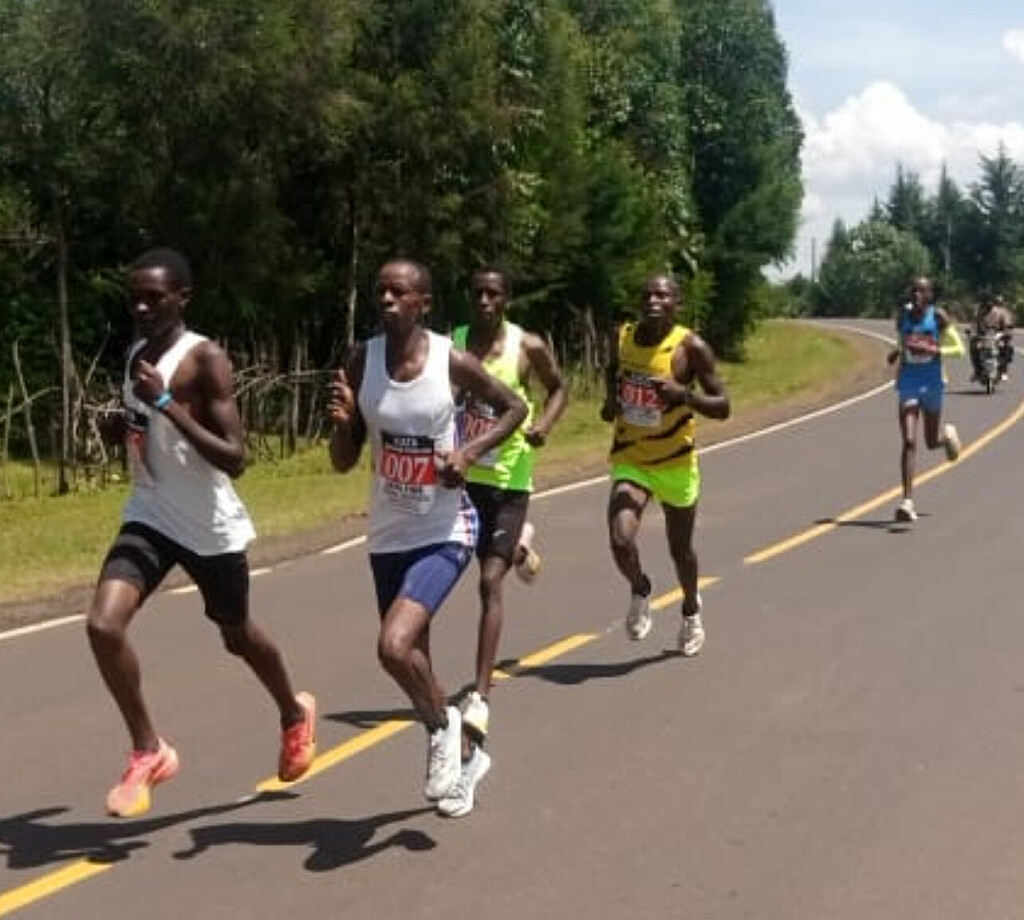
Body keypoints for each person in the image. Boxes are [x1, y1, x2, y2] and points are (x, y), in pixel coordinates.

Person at [87, 247, 316, 818]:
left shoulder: (204, 359)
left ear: (182, 298)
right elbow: (144, 430)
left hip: (208, 527)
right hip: (150, 514)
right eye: (134, 298)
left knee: (236, 634)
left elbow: (236, 458)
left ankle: (293, 712)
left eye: (153, 298)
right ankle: (149, 749)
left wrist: (165, 403)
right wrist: (120, 426)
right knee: (102, 625)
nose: (141, 308)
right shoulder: (135, 352)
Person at [327, 258, 527, 818]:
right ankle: (465, 760)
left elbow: (515, 407)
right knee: (415, 664)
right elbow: (343, 460)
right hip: (387, 534)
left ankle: (445, 727)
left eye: (400, 292)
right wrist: (342, 424)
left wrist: (469, 452)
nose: (387, 300)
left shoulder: (450, 360)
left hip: (445, 529)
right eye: (381, 291)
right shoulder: (361, 360)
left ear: (425, 303)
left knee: (393, 646)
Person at [451, 267, 568, 746]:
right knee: (481, 563)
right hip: (463, 479)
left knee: (488, 581)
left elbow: (559, 388)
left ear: (506, 299)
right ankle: (521, 548)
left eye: (493, 294)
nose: (484, 300)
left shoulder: (528, 346)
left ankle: (480, 695)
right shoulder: (454, 342)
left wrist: (544, 425)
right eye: (477, 292)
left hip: (509, 482)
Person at [601, 273, 730, 655]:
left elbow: (723, 406)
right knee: (620, 538)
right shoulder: (622, 337)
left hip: (675, 462)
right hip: (632, 457)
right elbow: (612, 372)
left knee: (681, 551)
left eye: (662, 295)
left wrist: (684, 395)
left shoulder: (691, 347)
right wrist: (611, 401)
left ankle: (691, 609)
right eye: (647, 295)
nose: (653, 301)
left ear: (677, 302)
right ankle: (640, 588)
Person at [886, 275, 963, 523]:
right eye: (913, 291)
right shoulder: (903, 316)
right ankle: (907, 502)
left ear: (930, 295)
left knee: (930, 442)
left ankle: (946, 439)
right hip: (909, 381)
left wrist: (934, 349)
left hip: (932, 383)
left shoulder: (938, 317)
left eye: (922, 291)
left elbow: (960, 350)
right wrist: (896, 352)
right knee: (909, 441)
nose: (916, 295)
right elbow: (903, 341)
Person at [969, 294, 1014, 381]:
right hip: (983, 337)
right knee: (973, 346)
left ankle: (1003, 371)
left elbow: (1007, 324)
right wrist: (972, 333)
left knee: (1007, 347)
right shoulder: (979, 313)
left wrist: (1006, 332)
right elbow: (973, 325)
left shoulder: (1001, 312)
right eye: (985, 303)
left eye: (988, 303)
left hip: (998, 336)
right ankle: (977, 371)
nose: (987, 305)